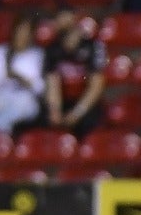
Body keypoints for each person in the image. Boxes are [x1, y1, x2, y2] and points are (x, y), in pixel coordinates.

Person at [43, 9, 108, 138]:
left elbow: (96, 85)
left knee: (89, 123)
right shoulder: (52, 48)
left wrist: (77, 113)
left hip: (86, 103)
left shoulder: (93, 47)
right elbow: (52, 82)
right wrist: (55, 111)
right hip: (64, 100)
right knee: (44, 120)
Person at [0, 14, 44, 133]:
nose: (23, 36)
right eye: (20, 31)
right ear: (14, 32)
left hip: (21, 101)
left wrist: (20, 78)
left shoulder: (37, 55)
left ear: (32, 35)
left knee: (27, 104)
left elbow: (40, 88)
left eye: (27, 32)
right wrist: (4, 77)